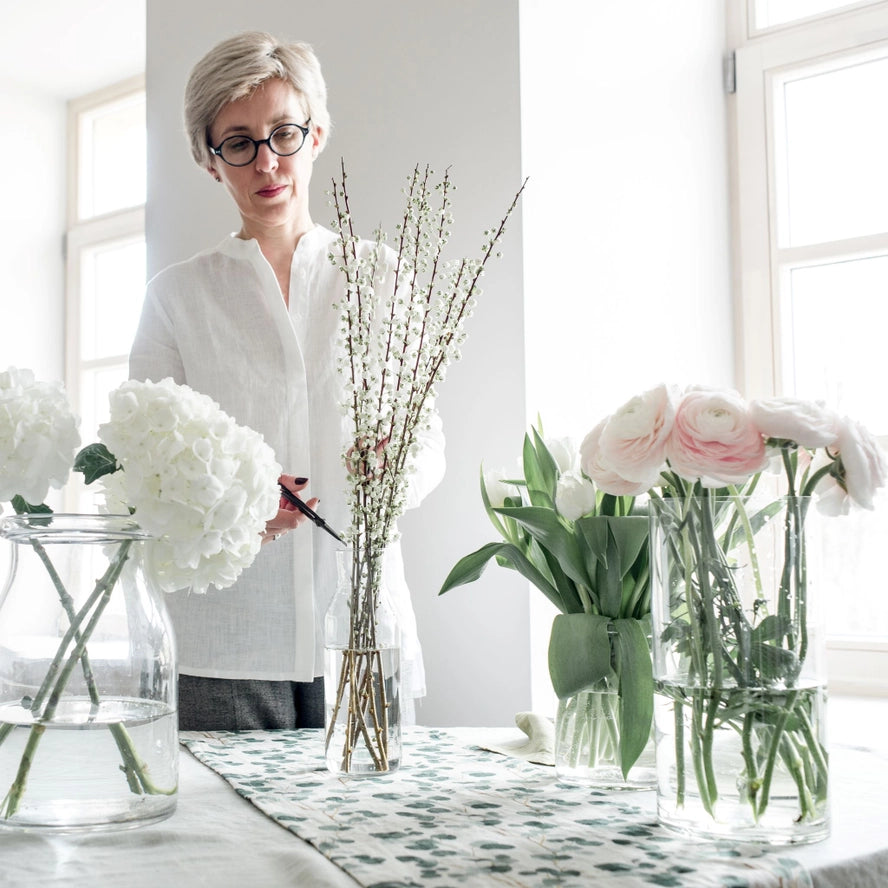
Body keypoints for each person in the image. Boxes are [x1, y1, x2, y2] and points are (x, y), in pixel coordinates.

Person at [129, 31, 445, 731]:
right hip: (223, 645)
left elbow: (429, 442)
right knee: (228, 838)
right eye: (237, 142)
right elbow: (141, 473)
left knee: (371, 835)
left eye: (283, 133)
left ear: (317, 132)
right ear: (210, 161)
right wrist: (235, 515)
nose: (266, 161)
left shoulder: (381, 277)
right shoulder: (176, 297)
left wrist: (393, 470)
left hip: (365, 627)